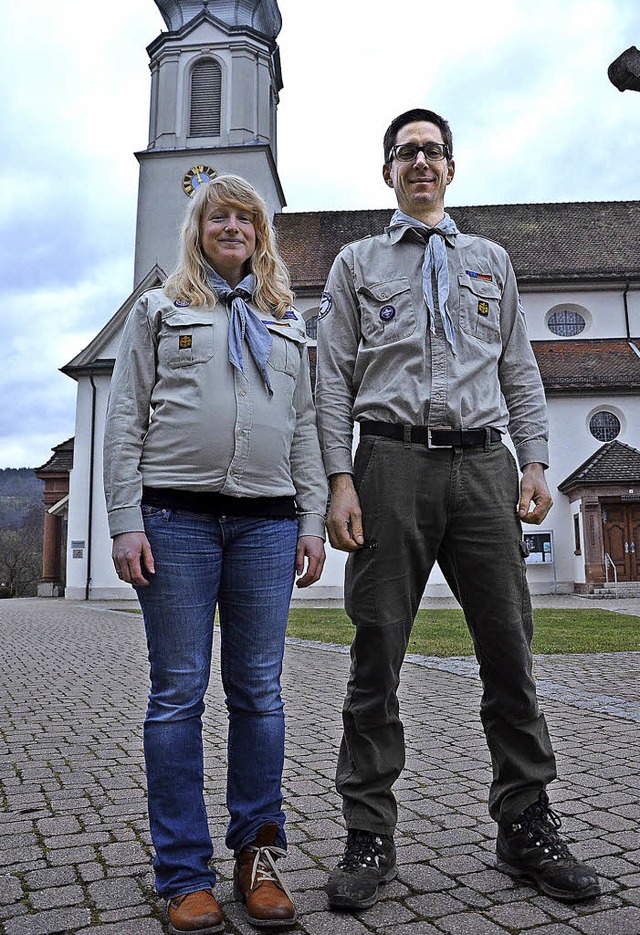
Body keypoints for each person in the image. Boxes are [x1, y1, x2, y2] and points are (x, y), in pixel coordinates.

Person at [315, 108, 600, 910]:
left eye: (433, 150)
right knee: (377, 651)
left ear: (452, 167)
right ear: (387, 172)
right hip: (389, 462)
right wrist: (340, 477)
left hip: (483, 464)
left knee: (509, 648)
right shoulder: (355, 262)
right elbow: (332, 377)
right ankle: (369, 829)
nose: (421, 162)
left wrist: (536, 461)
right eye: (406, 151)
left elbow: (521, 367)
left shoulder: (491, 261)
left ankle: (525, 819)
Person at [104, 174, 327, 934]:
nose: (233, 225)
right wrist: (124, 520)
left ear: (261, 234)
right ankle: (182, 872)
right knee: (177, 693)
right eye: (218, 215)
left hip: (267, 525)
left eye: (246, 216)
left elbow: (304, 428)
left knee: (259, 691)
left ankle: (257, 856)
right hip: (175, 521)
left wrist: (312, 519)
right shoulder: (161, 310)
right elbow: (125, 417)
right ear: (198, 229)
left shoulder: (289, 323)